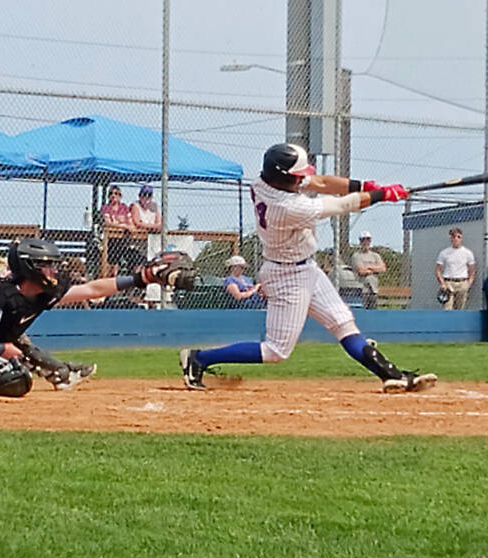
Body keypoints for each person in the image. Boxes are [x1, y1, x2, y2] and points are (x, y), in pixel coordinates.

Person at [178, 143, 435, 394]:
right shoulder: (289, 207)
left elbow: (320, 182)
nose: (302, 180)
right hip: (286, 276)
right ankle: (199, 358)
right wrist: (382, 195)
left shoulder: (263, 182)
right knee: (276, 351)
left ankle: (393, 375)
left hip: (307, 269)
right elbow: (342, 205)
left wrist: (365, 186)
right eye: (297, 176)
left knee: (343, 323)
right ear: (284, 177)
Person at [0, 239, 193, 396]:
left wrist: (142, 278)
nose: (54, 271)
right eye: (47, 266)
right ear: (30, 268)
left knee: (16, 367)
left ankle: (56, 371)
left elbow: (92, 289)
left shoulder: (42, 292)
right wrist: (0, 350)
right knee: (15, 377)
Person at [435, 227, 476, 311]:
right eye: (453, 237)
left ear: (461, 238)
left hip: (462, 283)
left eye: (458, 237)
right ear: (450, 238)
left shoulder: (467, 253)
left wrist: (468, 284)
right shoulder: (444, 253)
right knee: (447, 309)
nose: (456, 239)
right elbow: (438, 270)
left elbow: (472, 270)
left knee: (460, 309)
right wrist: (442, 283)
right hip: (448, 283)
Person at [101, 184, 137, 276]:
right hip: (111, 240)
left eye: (116, 194)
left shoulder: (124, 207)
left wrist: (127, 226)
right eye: (111, 194)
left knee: (132, 254)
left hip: (124, 239)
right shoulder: (106, 208)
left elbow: (130, 222)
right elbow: (108, 222)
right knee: (113, 253)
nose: (113, 196)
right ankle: (112, 276)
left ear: (120, 196)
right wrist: (123, 226)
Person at [349, 230, 386, 309]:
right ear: (360, 242)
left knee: (373, 312)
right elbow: (361, 271)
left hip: (374, 289)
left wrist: (369, 268)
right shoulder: (356, 256)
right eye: (363, 240)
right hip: (362, 290)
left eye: (368, 240)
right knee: (363, 311)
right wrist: (375, 268)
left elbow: (382, 268)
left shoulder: (375, 256)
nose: (366, 242)